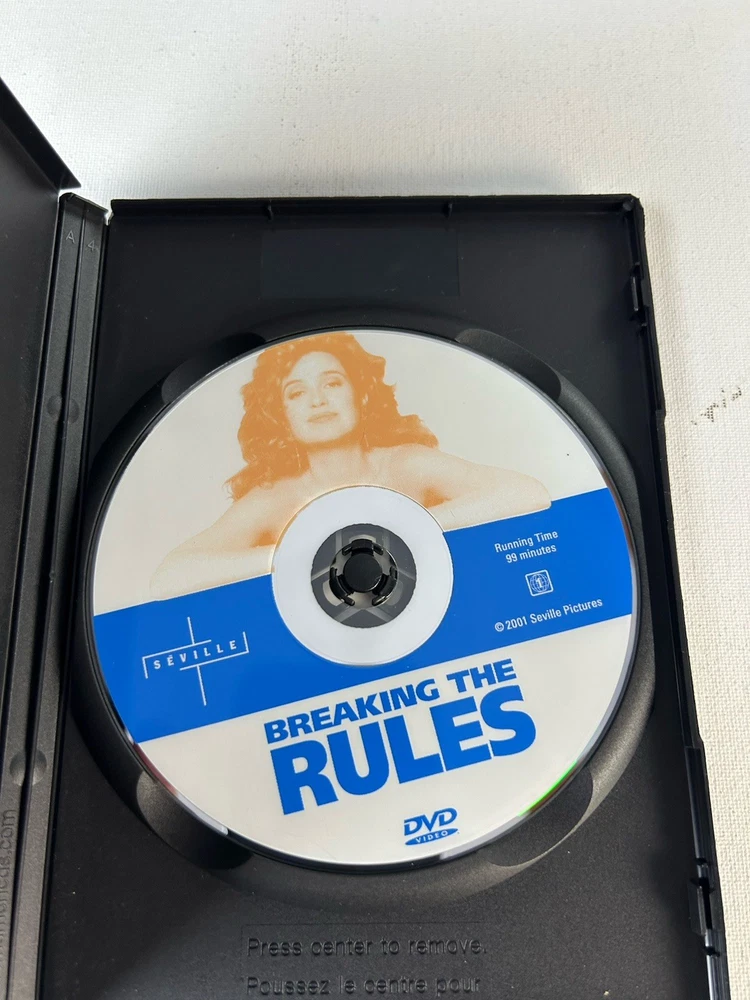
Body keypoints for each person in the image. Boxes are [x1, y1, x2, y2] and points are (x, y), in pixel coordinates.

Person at [151, 332, 550, 599]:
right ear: (280, 416)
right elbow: (170, 575)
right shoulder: (275, 497)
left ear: (361, 396)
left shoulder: (406, 464)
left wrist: (400, 528)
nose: (318, 400)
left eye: (332, 383)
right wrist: (299, 551)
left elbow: (528, 492)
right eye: (296, 393)